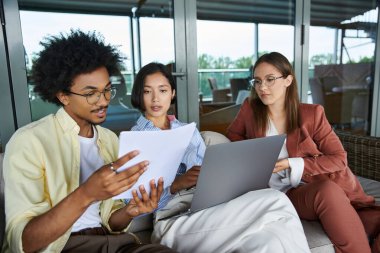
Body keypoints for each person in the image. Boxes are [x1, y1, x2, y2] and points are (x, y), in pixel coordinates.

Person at [2, 30, 177, 253]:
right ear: (62, 95)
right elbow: (24, 243)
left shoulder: (109, 140)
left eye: (106, 90)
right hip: (64, 247)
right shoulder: (29, 141)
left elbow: (112, 222)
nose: (103, 101)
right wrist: (86, 194)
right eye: (90, 93)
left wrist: (130, 211)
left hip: (113, 242)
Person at [129, 62, 311, 253]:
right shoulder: (135, 138)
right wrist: (176, 185)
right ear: (139, 95)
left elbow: (209, 176)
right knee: (276, 199)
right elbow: (131, 204)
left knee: (270, 241)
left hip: (211, 211)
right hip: (173, 221)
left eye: (163, 90)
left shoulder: (188, 131)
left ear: (172, 93)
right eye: (148, 91)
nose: (156, 98)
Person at [226, 52, 380, 253]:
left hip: (318, 184)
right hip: (285, 192)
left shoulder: (312, 114)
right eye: (257, 81)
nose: (262, 87)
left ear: (288, 80)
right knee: (327, 191)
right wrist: (255, 157)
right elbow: (233, 137)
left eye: (270, 79)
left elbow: (339, 159)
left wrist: (292, 163)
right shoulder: (250, 109)